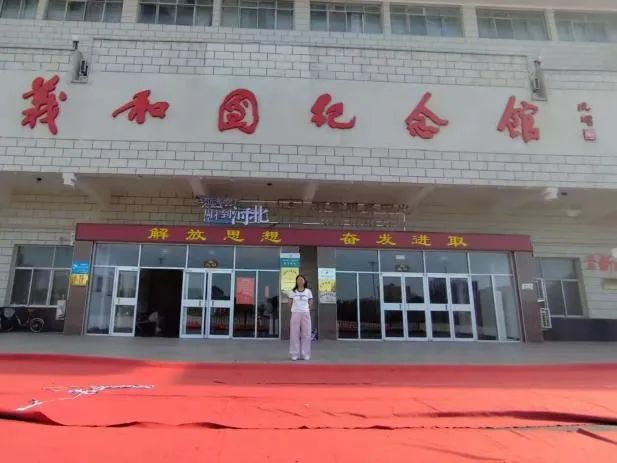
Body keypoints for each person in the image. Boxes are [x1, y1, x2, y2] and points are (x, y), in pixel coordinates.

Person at [288, 275, 313, 361]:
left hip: (305, 313)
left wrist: (306, 310)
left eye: (301, 280)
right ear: (296, 281)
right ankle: (295, 354)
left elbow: (310, 302)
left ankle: (305, 354)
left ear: (304, 281)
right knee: (294, 334)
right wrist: (295, 309)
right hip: (295, 313)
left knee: (306, 334)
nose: (300, 281)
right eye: (298, 280)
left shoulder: (308, 291)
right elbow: (289, 303)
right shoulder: (292, 292)